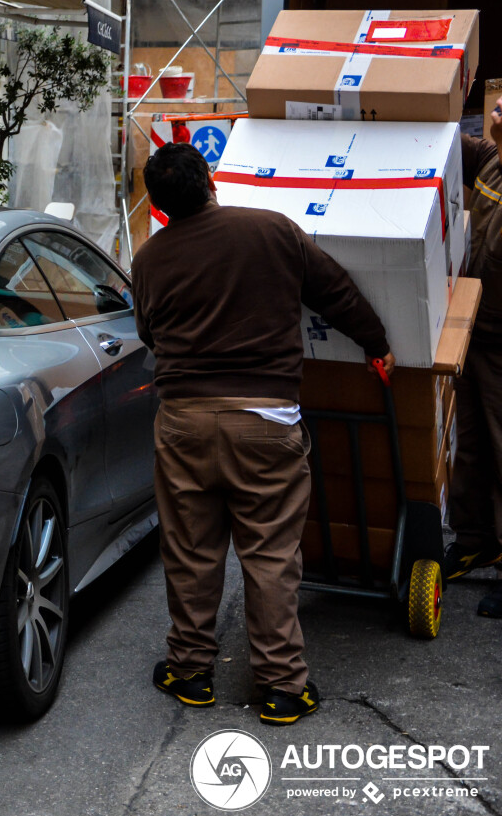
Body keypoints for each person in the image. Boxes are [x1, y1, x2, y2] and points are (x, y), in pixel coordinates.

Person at [134, 143, 393, 727]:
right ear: (209, 181)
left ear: (159, 204)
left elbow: (149, 333)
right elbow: (337, 292)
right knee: (272, 554)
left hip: (183, 421)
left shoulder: (150, 259)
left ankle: (190, 671)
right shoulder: (273, 231)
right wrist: (377, 345)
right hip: (267, 420)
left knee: (191, 550)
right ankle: (282, 688)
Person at [444, 99, 502, 618]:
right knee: (473, 448)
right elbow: (440, 136)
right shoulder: (490, 160)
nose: (499, 111)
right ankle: (475, 539)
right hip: (476, 332)